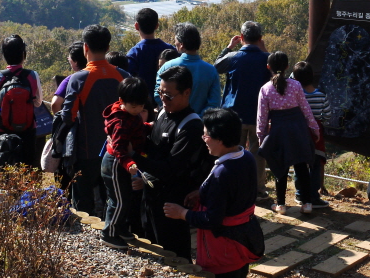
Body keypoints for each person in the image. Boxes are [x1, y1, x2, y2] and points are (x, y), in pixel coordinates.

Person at [163, 108, 264, 278]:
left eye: (206, 136)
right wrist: (202, 193)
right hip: (242, 239)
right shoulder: (246, 157)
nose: (204, 140)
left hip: (223, 248)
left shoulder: (222, 173)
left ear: (219, 138)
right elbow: (234, 194)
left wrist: (182, 213)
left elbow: (212, 219)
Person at [134, 65, 205, 261]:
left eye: (169, 96)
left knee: (174, 254)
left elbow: (170, 169)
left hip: (172, 201)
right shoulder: (163, 113)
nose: (163, 100)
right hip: (150, 195)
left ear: (187, 92)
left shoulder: (192, 125)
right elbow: (154, 148)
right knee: (151, 248)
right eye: (160, 93)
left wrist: (133, 155)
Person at [59, 25, 129, 214]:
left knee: (83, 203)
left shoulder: (78, 79)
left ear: (85, 47)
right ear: (108, 48)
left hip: (86, 151)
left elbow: (68, 116)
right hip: (117, 148)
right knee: (114, 198)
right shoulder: (123, 76)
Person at [256, 52, 319, 214]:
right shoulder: (296, 85)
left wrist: (261, 137)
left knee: (280, 166)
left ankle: (281, 205)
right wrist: (314, 128)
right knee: (301, 165)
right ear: (287, 67)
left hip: (278, 131)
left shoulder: (265, 89)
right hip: (298, 129)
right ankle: (307, 204)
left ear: (268, 67)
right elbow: (306, 109)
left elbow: (262, 118)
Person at [214, 21, 271, 199]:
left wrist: (228, 47)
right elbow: (277, 72)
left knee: (232, 152)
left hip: (234, 115)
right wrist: (265, 49)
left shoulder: (232, 57)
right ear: (260, 38)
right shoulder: (266, 59)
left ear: (242, 37)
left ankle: (233, 187)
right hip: (259, 114)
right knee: (258, 154)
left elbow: (215, 66)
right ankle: (258, 189)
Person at [0, 34, 43, 167]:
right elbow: (38, 102)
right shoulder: (33, 75)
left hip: (2, 130)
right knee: (27, 169)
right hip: (28, 130)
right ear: (24, 54)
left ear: (4, 55)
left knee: (2, 169)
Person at [100, 77, 151, 248]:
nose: (138, 109)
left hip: (119, 162)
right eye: (134, 106)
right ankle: (109, 233)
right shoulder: (121, 122)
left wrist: (147, 126)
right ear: (122, 101)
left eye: (141, 105)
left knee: (124, 197)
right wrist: (129, 163)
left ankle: (120, 227)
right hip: (115, 162)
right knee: (119, 200)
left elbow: (136, 128)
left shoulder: (130, 115)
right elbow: (119, 149)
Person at [155, 23, 220, 115]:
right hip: (199, 125)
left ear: (181, 44)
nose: (174, 43)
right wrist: (198, 119)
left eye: (176, 40)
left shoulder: (167, 66)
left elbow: (158, 94)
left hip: (172, 121)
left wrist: (172, 110)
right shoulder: (211, 70)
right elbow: (214, 103)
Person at [291, 61, 330, 208]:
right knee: (315, 164)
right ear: (313, 76)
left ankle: (300, 194)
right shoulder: (320, 95)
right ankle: (314, 196)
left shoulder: (295, 95)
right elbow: (327, 115)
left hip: (298, 131)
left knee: (299, 163)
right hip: (316, 134)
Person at [126, 8, 174, 89]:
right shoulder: (171, 50)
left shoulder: (133, 54)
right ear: (157, 26)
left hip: (142, 100)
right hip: (169, 99)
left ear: (136, 26)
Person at [50, 41, 87, 114]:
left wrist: (61, 123)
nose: (68, 59)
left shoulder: (71, 79)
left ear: (75, 61)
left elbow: (55, 103)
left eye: (69, 57)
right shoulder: (100, 75)